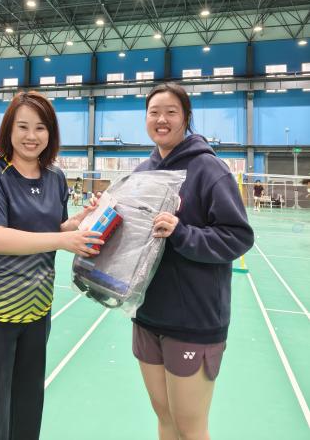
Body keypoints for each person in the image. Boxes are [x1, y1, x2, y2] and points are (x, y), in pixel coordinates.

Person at [0, 91, 103, 440]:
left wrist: (79, 221)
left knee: (26, 407)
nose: (31, 136)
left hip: (36, 310)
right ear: (9, 129)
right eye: (22, 126)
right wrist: (62, 240)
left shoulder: (55, 177)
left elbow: (53, 229)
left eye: (40, 127)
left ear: (51, 133)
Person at [131, 83, 254, 440]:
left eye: (171, 112)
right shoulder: (142, 172)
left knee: (190, 427)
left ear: (186, 118)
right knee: (165, 417)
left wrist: (182, 233)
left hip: (194, 319)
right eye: (154, 112)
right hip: (147, 314)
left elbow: (238, 236)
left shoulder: (209, 169)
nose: (162, 119)